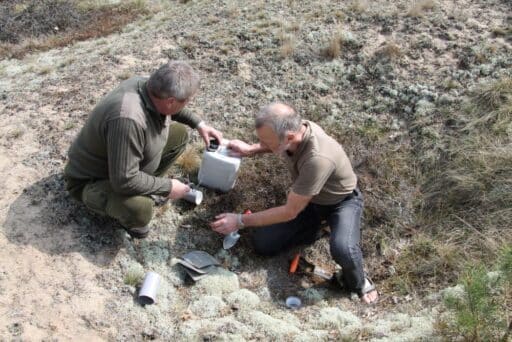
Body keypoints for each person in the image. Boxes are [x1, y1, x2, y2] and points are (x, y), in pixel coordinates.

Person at [210, 102, 378, 304]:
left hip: (342, 203)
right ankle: (317, 229)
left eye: (267, 141)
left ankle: (359, 282)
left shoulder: (317, 158)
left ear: (288, 137)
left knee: (343, 249)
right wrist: (251, 150)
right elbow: (276, 144)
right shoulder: (297, 129)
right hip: (311, 203)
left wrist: (239, 220)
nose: (263, 143)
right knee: (263, 243)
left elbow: (290, 211)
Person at [64, 61, 222, 238]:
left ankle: (146, 186)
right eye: (186, 101)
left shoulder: (149, 88)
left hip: (121, 164)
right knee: (141, 209)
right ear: (171, 101)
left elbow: (172, 109)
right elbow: (124, 180)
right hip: (92, 181)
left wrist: (199, 124)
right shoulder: (128, 119)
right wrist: (168, 187)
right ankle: (127, 213)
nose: (186, 104)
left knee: (179, 135)